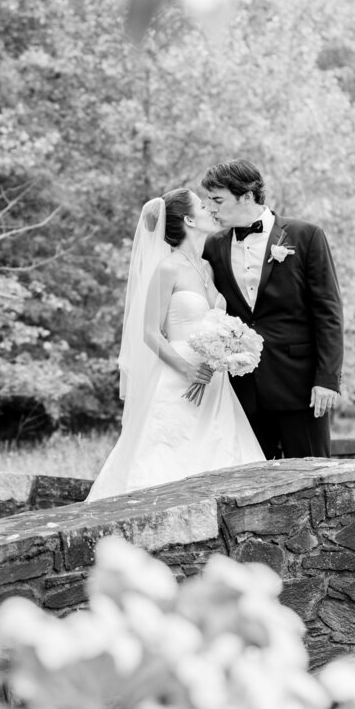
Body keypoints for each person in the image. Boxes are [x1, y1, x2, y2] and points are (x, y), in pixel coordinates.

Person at [86, 189, 264, 501]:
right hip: (178, 375)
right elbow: (149, 333)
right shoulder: (167, 268)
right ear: (188, 219)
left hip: (214, 379)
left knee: (218, 451)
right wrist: (187, 369)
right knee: (168, 456)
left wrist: (229, 349)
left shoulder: (207, 267)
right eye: (202, 205)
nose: (209, 208)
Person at [200, 159, 344, 459]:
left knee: (312, 482)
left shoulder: (306, 236)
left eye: (217, 200)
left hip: (301, 389)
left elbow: (328, 314)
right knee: (250, 487)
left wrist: (327, 380)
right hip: (243, 391)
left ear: (247, 196)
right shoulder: (212, 246)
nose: (210, 208)